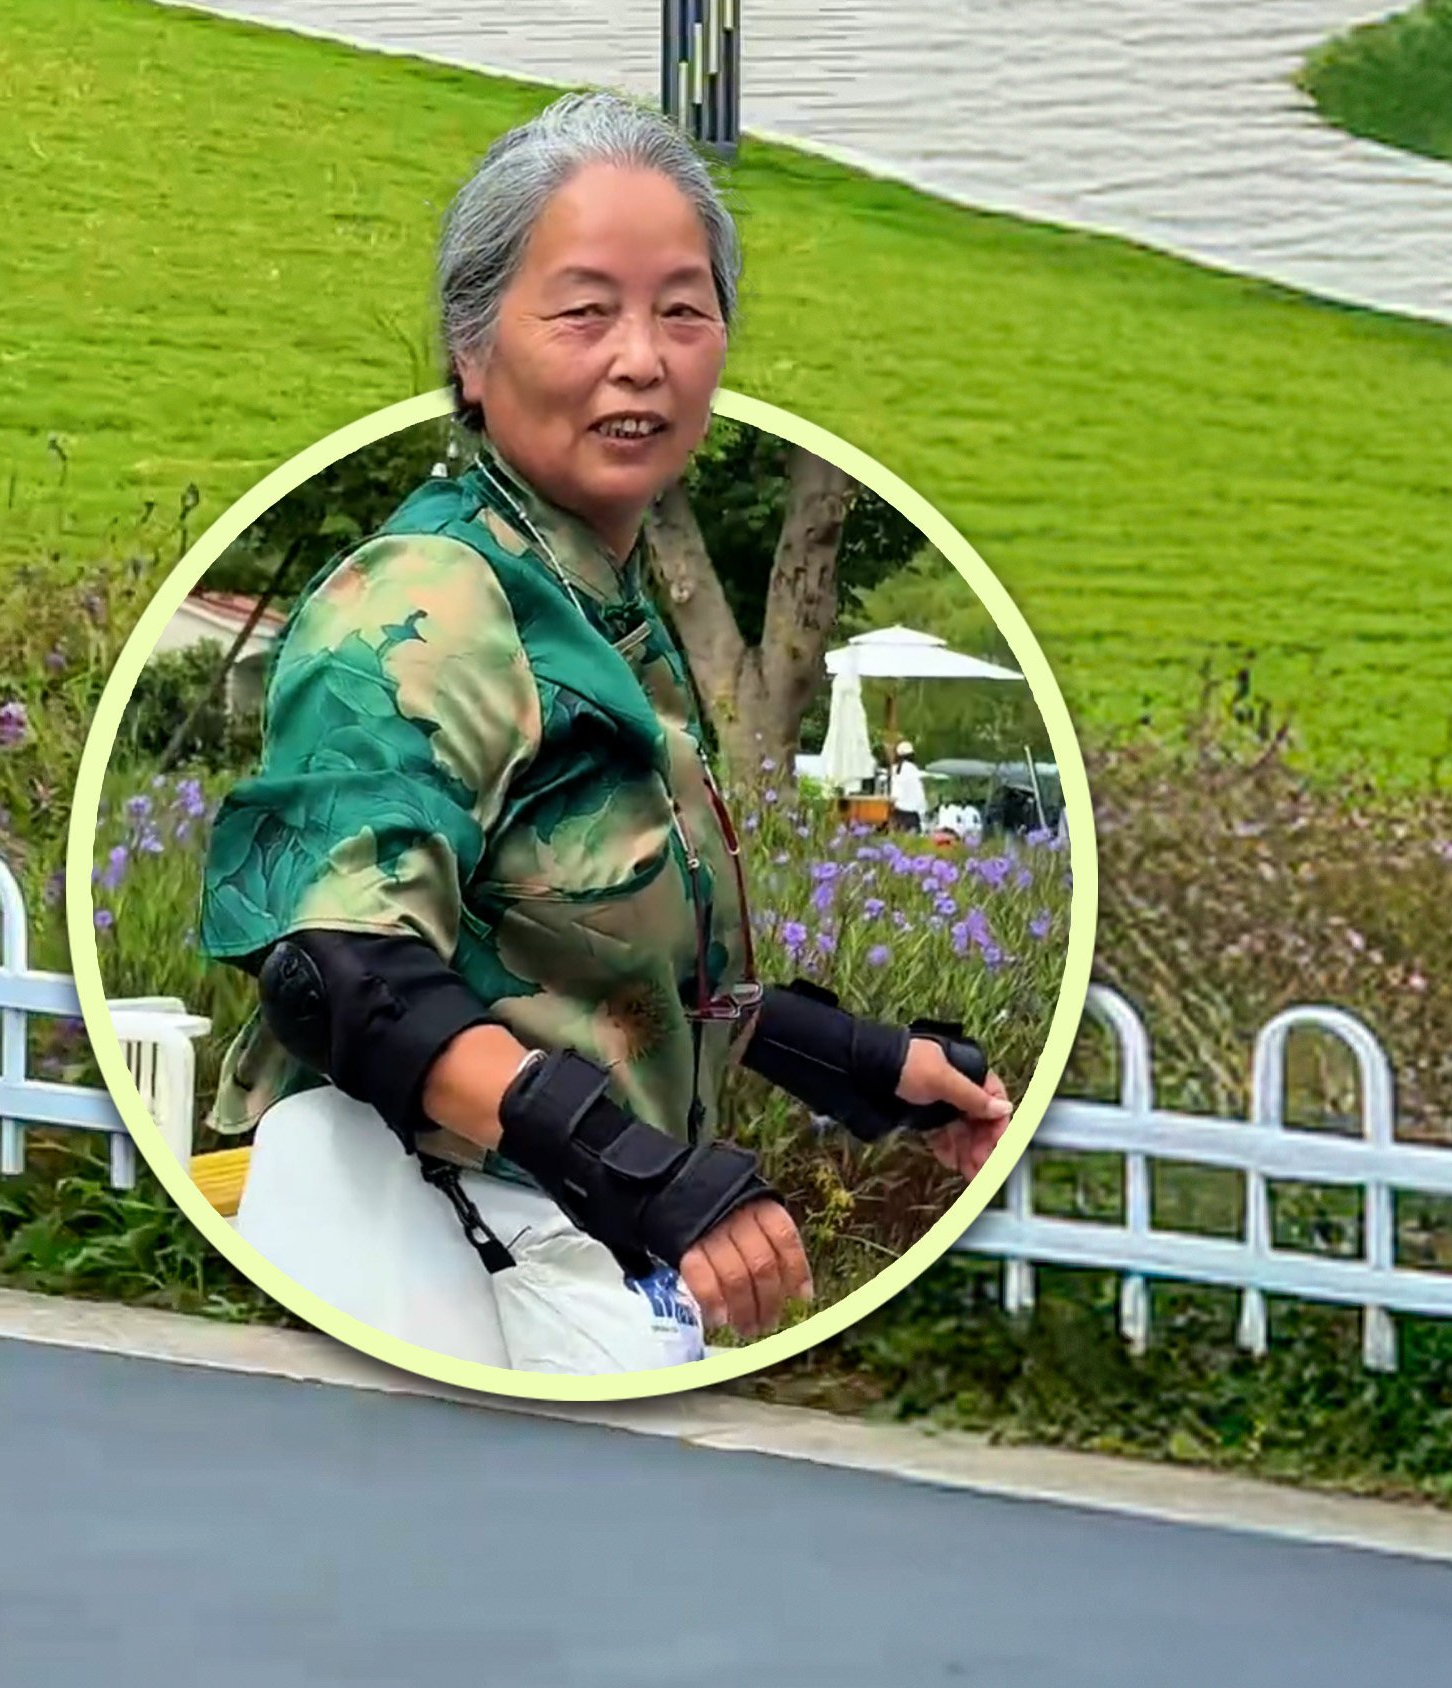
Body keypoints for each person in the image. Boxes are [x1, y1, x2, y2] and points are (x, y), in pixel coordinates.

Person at [196, 90, 1011, 1372]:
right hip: (411, 1222)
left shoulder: (599, 601)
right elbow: (341, 967)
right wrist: (637, 1170)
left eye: (684, 311)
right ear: (472, 352)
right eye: (585, 311)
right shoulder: (429, 595)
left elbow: (612, 974)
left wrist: (871, 1063)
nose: (643, 358)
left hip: (552, 1236)